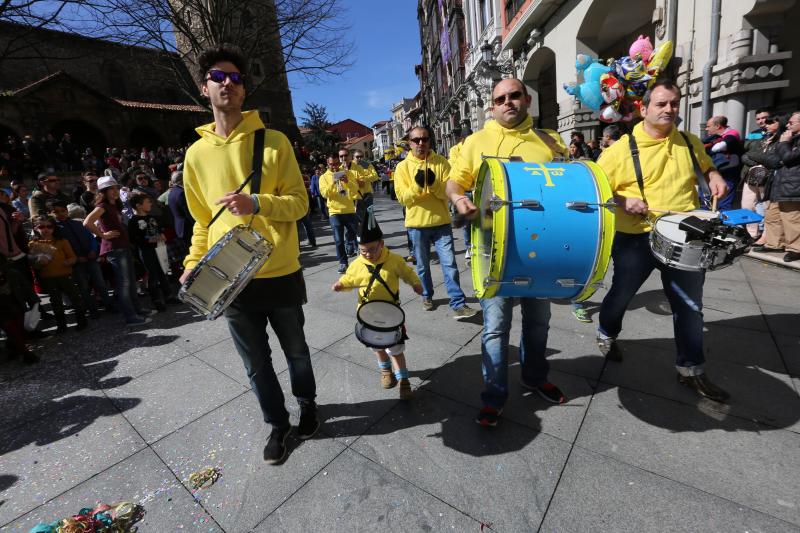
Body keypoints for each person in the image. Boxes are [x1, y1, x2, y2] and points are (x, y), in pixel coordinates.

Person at [179, 45, 318, 464]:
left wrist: (257, 202)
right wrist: (190, 265)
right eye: (219, 77)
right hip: (230, 277)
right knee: (256, 363)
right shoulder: (195, 154)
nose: (228, 84)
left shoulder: (274, 141)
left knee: (296, 351)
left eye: (236, 78)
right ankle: (277, 424)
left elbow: (300, 204)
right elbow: (202, 221)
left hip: (280, 270)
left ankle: (308, 405)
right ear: (204, 88)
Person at [594, 79, 730, 402]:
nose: (669, 109)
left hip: (685, 234)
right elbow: (596, 192)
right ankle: (607, 332)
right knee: (621, 294)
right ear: (643, 108)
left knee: (689, 305)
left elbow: (706, 167)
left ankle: (691, 370)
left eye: (673, 103)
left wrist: (714, 176)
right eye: (661, 103)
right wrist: (623, 201)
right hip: (636, 238)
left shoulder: (688, 141)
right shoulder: (617, 152)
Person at [447, 78, 569, 427]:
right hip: (492, 249)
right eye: (500, 99)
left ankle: (534, 376)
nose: (508, 103)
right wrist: (458, 198)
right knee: (495, 327)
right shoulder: (476, 141)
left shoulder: (549, 142)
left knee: (537, 322)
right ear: (492, 106)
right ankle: (494, 396)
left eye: (514, 96)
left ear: (527, 100)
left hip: (538, 246)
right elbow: (454, 181)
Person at [332, 209, 423, 400]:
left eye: (372, 249)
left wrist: (415, 284)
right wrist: (342, 285)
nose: (368, 254)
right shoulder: (357, 264)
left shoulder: (395, 260)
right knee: (378, 347)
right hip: (368, 314)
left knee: (396, 350)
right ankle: (385, 372)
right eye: (363, 250)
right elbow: (350, 279)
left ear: (381, 244)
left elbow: (408, 273)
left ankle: (404, 380)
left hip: (391, 314)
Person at [394, 126, 478, 320]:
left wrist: (432, 184)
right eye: (416, 140)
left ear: (430, 141)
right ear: (409, 143)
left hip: (441, 223)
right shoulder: (402, 168)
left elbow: (448, 194)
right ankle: (427, 295)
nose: (421, 143)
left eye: (424, 139)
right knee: (423, 266)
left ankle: (458, 302)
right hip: (417, 225)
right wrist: (417, 185)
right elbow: (403, 199)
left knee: (449, 264)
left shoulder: (442, 163)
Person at [84, 176, 153, 326]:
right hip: (114, 248)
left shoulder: (114, 205)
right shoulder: (102, 206)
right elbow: (87, 222)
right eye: (111, 189)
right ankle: (130, 317)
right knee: (124, 283)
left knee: (131, 280)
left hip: (123, 246)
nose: (115, 191)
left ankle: (137, 310)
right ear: (103, 191)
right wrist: (103, 235)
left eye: (115, 188)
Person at [49, 199, 113, 317]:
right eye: (56, 212)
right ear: (51, 213)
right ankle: (92, 310)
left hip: (91, 258)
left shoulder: (78, 223)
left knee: (100, 283)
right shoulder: (55, 230)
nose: (61, 214)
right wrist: (77, 258)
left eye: (63, 211)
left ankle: (109, 305)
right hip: (76, 263)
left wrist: (94, 250)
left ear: (67, 211)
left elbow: (91, 238)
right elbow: (61, 249)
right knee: (83, 287)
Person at [28, 215, 88, 333]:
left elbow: (73, 257)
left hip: (65, 275)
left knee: (75, 298)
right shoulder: (33, 244)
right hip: (49, 278)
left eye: (49, 226)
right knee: (56, 302)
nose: (46, 229)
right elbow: (34, 265)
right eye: (41, 226)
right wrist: (40, 263)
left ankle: (82, 320)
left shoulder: (62, 241)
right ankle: (61, 325)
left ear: (54, 228)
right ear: (36, 228)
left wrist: (69, 261)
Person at [759, 111, 800, 263]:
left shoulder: (787, 139)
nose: (787, 125)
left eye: (791, 123)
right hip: (778, 182)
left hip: (793, 185)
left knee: (792, 218)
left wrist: (783, 145)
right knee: (772, 215)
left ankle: (795, 248)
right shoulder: (788, 138)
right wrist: (783, 151)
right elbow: (771, 159)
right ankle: (774, 243)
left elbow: (788, 157)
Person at [128, 192, 175, 311]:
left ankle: (168, 295)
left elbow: (158, 230)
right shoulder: (133, 220)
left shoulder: (152, 217)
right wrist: (150, 239)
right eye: (147, 202)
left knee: (162, 272)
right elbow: (134, 238)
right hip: (146, 252)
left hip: (158, 249)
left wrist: (162, 235)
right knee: (153, 275)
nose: (150, 204)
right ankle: (156, 300)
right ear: (139, 206)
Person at [742, 115, 784, 242]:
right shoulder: (763, 137)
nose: (766, 124)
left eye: (771, 122)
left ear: (780, 123)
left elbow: (775, 161)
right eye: (766, 122)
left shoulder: (783, 140)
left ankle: (766, 235)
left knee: (768, 208)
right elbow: (746, 155)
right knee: (747, 205)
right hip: (752, 176)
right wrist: (758, 162)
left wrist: (759, 158)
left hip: (769, 178)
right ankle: (752, 234)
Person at [320, 154, 360, 273]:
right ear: (328, 163)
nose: (335, 167)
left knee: (355, 236)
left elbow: (355, 189)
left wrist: (347, 182)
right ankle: (343, 263)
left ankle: (357, 254)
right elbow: (324, 194)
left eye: (337, 163)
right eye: (332, 164)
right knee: (338, 240)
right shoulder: (323, 177)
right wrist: (333, 182)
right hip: (335, 212)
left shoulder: (347, 173)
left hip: (349, 210)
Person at [0, 254, 39, 364]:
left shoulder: (12, 274)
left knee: (20, 331)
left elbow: (27, 287)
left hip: (16, 306)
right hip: (2, 312)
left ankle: (15, 348)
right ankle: (27, 355)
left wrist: (35, 301)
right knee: (13, 332)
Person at [702, 115, 742, 211]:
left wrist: (707, 149)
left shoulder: (732, 133)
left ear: (718, 126)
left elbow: (719, 147)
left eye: (708, 126)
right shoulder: (714, 137)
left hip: (727, 174)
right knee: (705, 202)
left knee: (724, 204)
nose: (706, 129)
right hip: (712, 173)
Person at [348, 149, 378, 223]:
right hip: (356, 194)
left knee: (370, 214)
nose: (359, 158)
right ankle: (361, 231)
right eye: (357, 157)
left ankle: (371, 231)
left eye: (361, 156)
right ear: (353, 157)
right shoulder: (350, 165)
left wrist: (363, 178)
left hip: (367, 193)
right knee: (358, 214)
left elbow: (375, 176)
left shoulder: (367, 165)